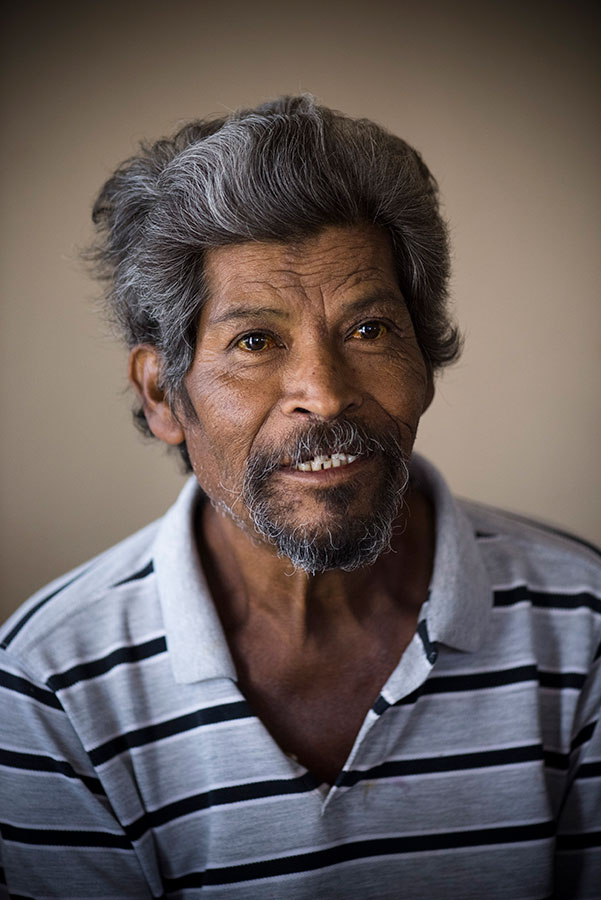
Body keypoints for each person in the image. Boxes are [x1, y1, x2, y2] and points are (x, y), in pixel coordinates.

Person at [0, 96, 599, 900]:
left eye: (369, 330)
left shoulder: (583, 623)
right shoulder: (49, 683)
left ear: (423, 359)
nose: (323, 392)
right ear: (161, 395)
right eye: (255, 342)